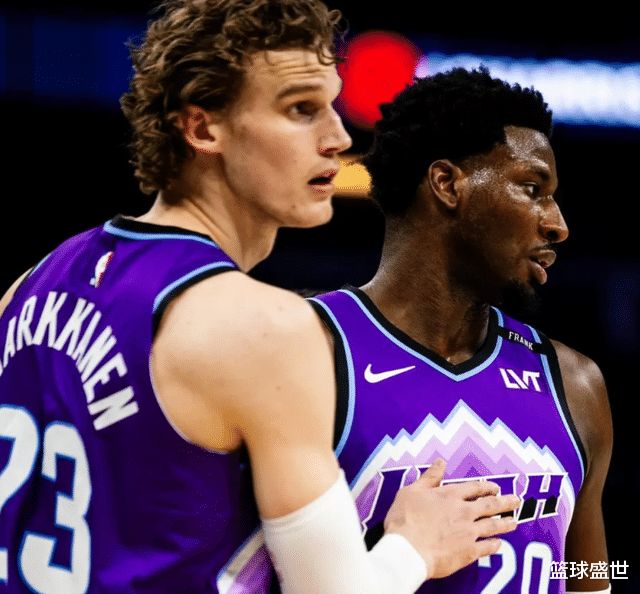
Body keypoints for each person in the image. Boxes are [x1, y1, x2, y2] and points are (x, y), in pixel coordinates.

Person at [0, 3, 521, 593]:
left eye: (332, 106)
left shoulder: (32, 283)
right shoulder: (265, 326)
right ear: (203, 129)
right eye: (301, 110)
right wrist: (414, 547)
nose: (339, 137)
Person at [309, 67, 613, 594]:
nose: (558, 224)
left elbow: (584, 573)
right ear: (447, 184)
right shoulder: (307, 350)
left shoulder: (576, 383)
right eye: (532, 188)